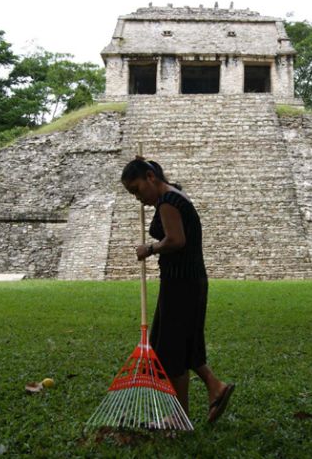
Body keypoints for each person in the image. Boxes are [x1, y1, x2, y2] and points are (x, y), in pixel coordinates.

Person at [121, 156, 235, 424]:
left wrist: (148, 249)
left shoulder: (168, 202)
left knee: (170, 349)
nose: (137, 197)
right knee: (181, 343)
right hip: (189, 280)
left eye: (137, 189)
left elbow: (176, 240)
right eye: (132, 194)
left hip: (181, 283)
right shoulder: (175, 196)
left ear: (151, 177)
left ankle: (179, 417)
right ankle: (215, 387)